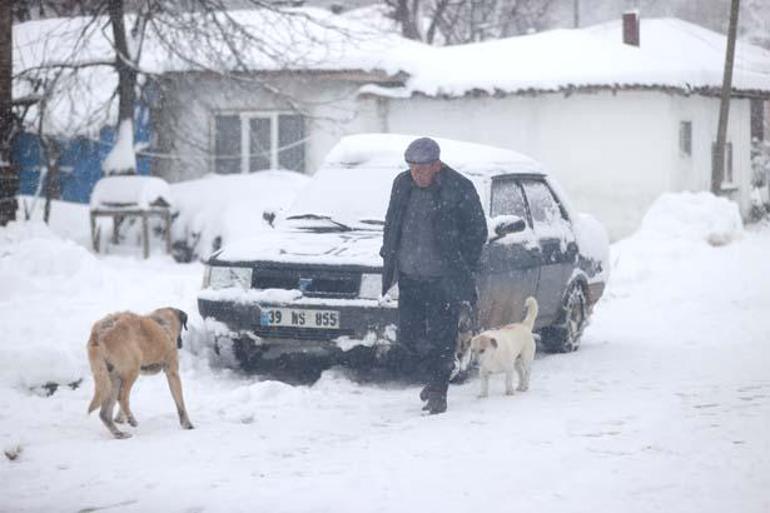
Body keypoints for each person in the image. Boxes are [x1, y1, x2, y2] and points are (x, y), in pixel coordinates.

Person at [380, 137, 488, 414]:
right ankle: (435, 373)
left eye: (422, 168)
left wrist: (462, 263)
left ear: (437, 165)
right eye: (412, 168)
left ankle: (438, 392)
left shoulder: (459, 188)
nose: (416, 174)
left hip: (444, 280)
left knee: (442, 337)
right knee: (409, 337)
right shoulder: (401, 184)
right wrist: (388, 253)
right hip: (409, 276)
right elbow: (392, 222)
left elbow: (478, 233)